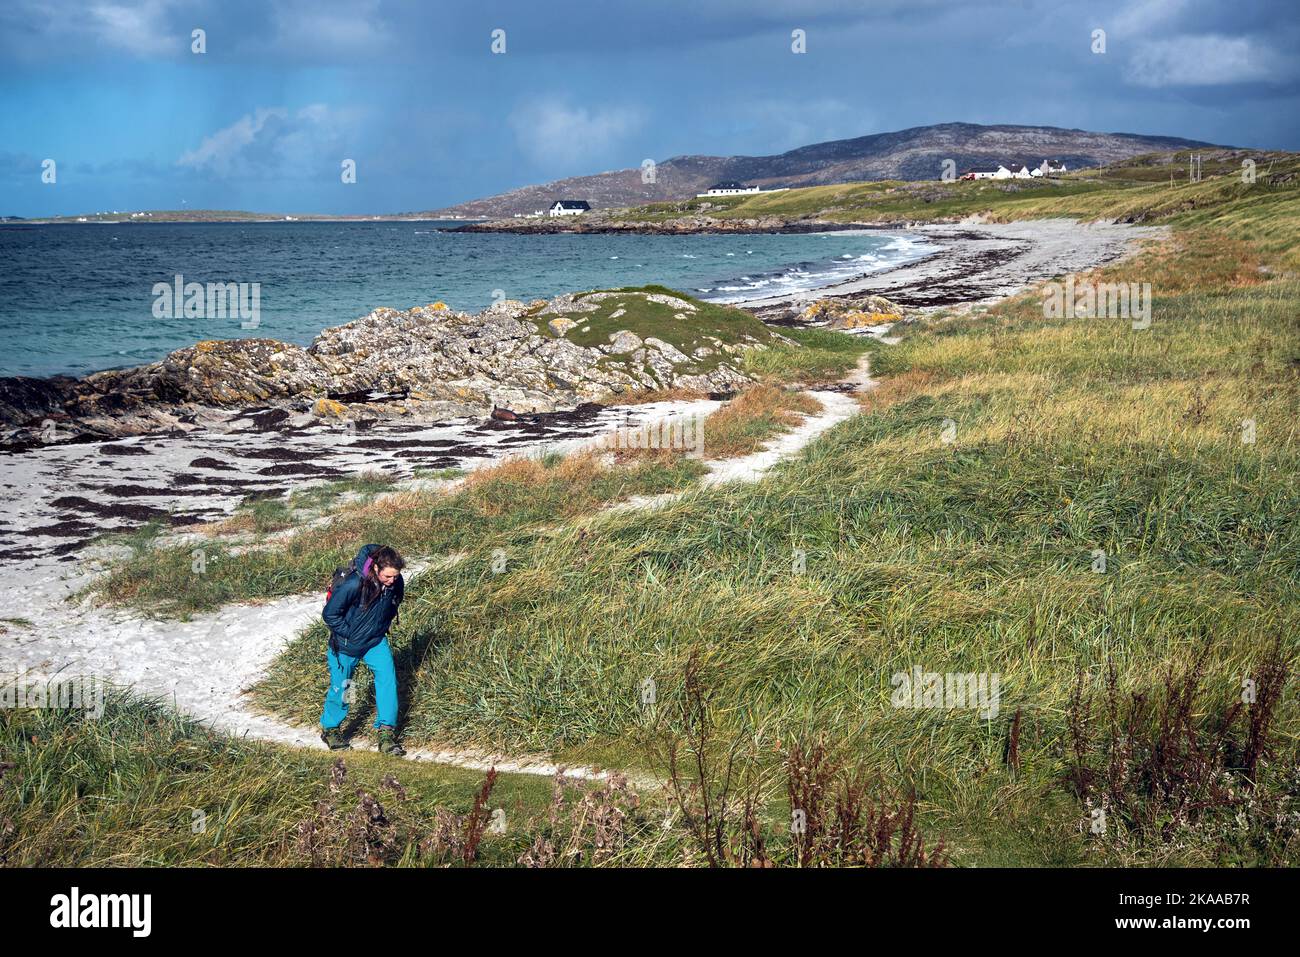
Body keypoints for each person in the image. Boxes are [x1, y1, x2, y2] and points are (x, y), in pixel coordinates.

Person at [320, 543, 407, 755]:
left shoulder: (396, 583)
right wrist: (350, 633)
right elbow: (330, 615)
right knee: (345, 687)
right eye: (387, 577)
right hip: (346, 645)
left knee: (387, 681)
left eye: (395, 576)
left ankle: (386, 733)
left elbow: (394, 603)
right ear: (376, 569)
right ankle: (331, 729)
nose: (392, 581)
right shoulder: (353, 584)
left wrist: (378, 628)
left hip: (375, 642)